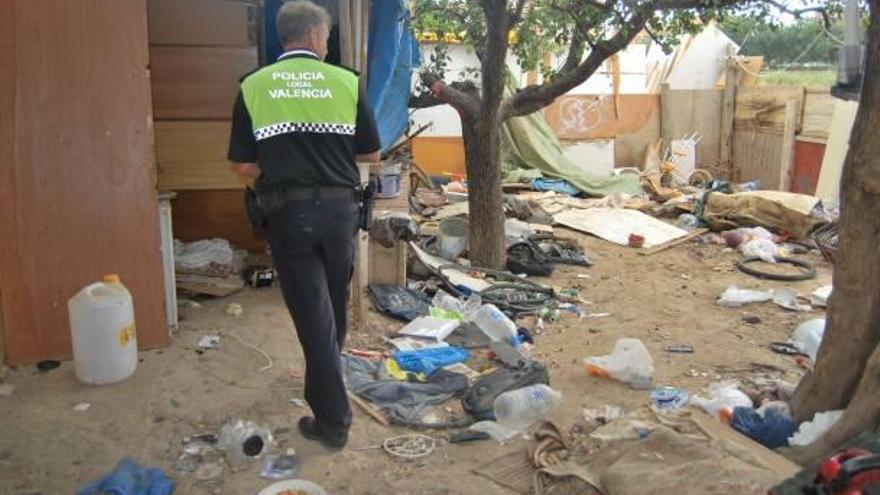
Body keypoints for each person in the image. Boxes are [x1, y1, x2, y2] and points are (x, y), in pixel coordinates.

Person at [227, 0, 380, 450]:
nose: (328, 44)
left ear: (284, 36)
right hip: (340, 216)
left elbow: (241, 164)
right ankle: (327, 396)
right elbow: (371, 154)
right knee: (329, 310)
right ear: (315, 37)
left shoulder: (254, 86)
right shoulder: (345, 81)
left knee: (314, 319)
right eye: (327, 37)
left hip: (289, 217)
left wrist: (278, 174)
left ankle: (334, 422)